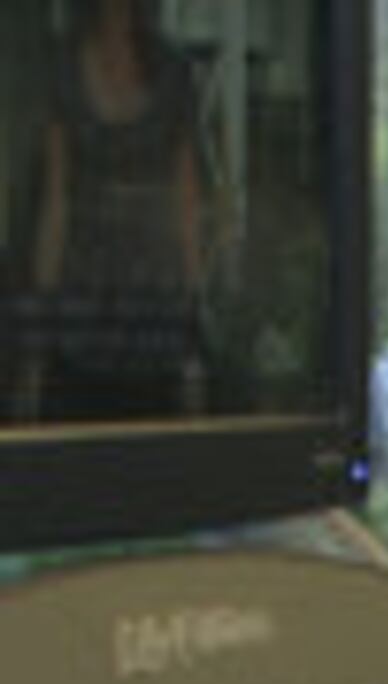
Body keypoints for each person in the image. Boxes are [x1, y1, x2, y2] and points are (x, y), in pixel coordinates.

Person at [20, 0, 211, 421]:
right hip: (81, 308)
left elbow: (187, 205)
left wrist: (192, 336)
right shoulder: (63, 68)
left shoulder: (174, 72)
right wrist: (38, 340)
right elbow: (55, 205)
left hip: (154, 307)